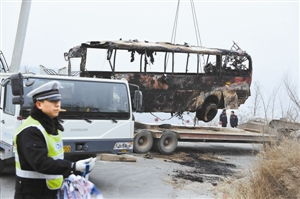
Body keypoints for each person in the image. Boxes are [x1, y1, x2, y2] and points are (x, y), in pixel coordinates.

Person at [14, 81, 96, 199]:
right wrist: (72, 166)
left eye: (58, 101)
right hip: (32, 193)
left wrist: (71, 174)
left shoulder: (49, 125)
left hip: (49, 190)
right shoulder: (30, 130)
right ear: (39, 105)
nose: (58, 105)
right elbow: (41, 163)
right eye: (53, 101)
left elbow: (55, 157)